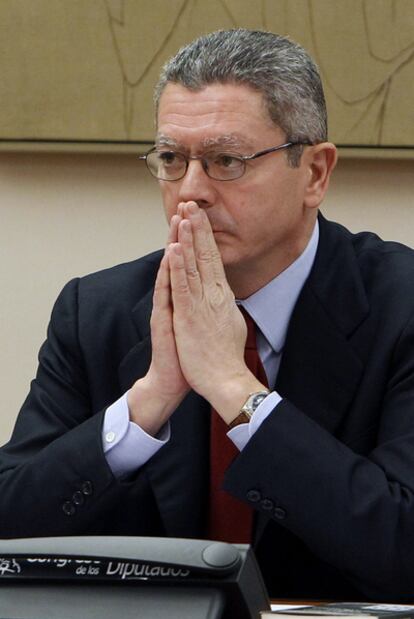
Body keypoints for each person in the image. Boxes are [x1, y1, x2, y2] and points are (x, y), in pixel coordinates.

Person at [1, 28, 414, 602]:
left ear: (315, 173)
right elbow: (11, 535)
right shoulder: (97, 312)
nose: (190, 192)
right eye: (171, 159)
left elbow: (402, 546)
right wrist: (149, 401)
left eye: (226, 160)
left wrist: (233, 389)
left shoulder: (402, 306)